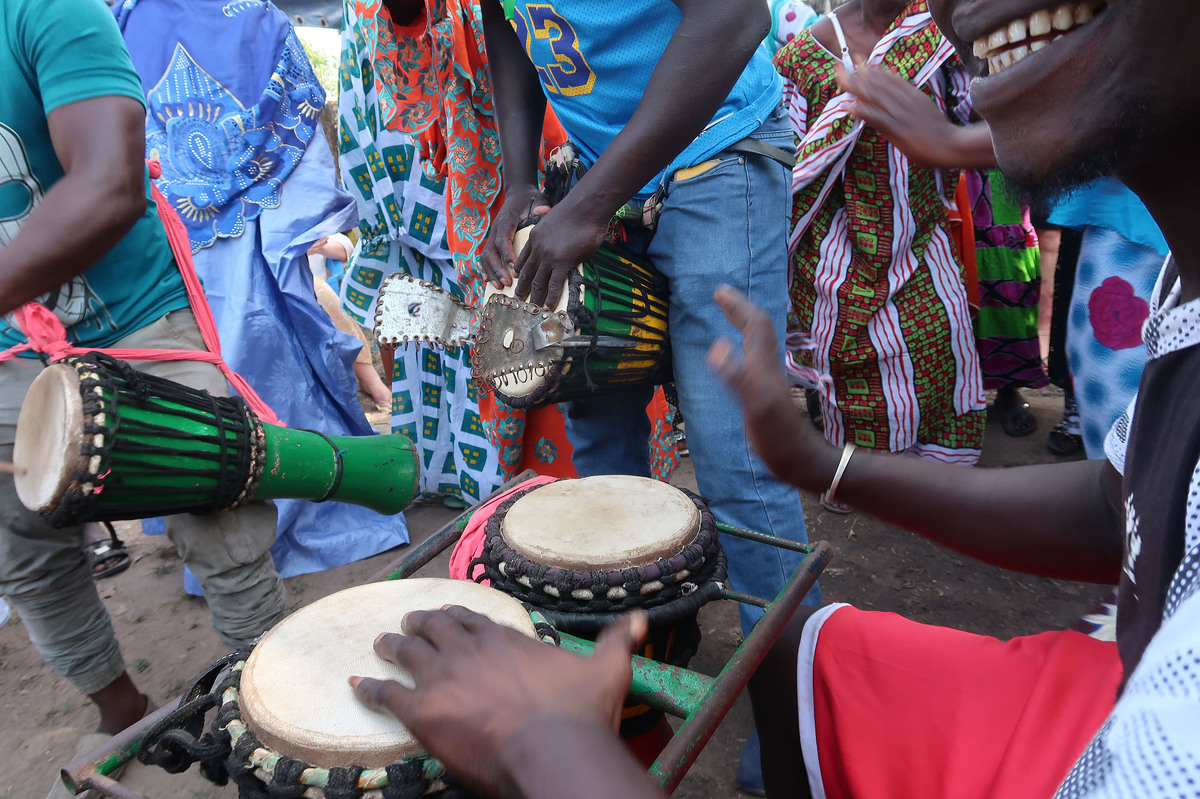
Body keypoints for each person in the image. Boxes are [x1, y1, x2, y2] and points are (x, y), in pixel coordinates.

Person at [346, 0, 1200, 796]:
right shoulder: (1182, 313)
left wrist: (539, 747)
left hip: (719, 150)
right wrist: (526, 179)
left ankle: (774, 732)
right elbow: (1119, 496)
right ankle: (634, 682)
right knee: (596, 474)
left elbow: (732, 17)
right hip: (602, 170)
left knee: (737, 470)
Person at [0, 0, 285, 795]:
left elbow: (108, 184)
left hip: (136, 317)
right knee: (26, 555)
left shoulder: (39, 10)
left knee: (218, 510)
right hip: (5, 350)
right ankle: (124, 712)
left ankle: (279, 705)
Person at [115, 0, 412, 582]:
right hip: (221, 236)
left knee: (220, 359)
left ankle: (238, 535)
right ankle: (257, 523)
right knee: (247, 351)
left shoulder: (129, 23)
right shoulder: (215, 16)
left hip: (190, 238)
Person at [774, 0, 992, 474]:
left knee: (942, 350)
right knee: (850, 369)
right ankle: (861, 476)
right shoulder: (809, 54)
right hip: (836, 253)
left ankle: (939, 471)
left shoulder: (939, 35)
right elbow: (788, 162)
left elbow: (986, 117)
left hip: (919, 238)